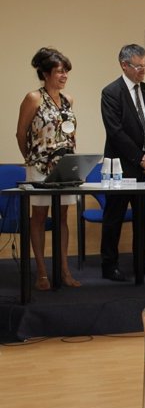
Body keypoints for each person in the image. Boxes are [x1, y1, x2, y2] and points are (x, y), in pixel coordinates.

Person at [15, 47, 80, 291]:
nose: (64, 76)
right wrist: (30, 159)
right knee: (40, 217)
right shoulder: (34, 98)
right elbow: (21, 132)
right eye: (60, 72)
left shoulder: (68, 100)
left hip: (65, 166)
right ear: (45, 73)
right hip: (39, 166)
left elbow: (70, 132)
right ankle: (42, 272)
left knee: (62, 217)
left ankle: (64, 269)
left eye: (66, 72)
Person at [100, 44, 145, 281]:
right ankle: (109, 265)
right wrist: (139, 157)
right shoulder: (111, 92)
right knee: (114, 216)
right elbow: (115, 132)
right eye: (138, 66)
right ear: (124, 65)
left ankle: (143, 261)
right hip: (121, 166)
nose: (143, 70)